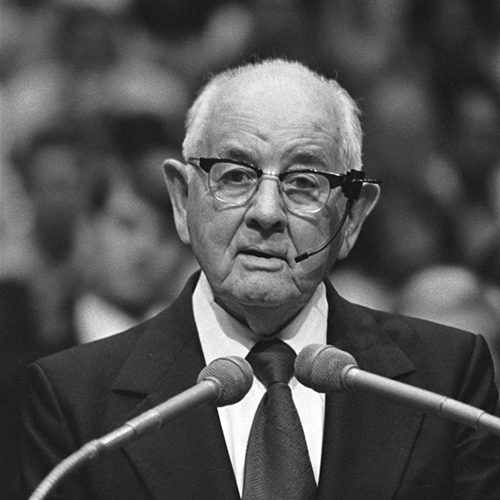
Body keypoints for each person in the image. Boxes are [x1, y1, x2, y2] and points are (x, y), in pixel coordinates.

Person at [15, 59, 500, 499]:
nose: (266, 213)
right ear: (182, 201)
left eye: (304, 182)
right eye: (235, 176)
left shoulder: (446, 383)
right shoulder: (75, 403)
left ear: (351, 218)